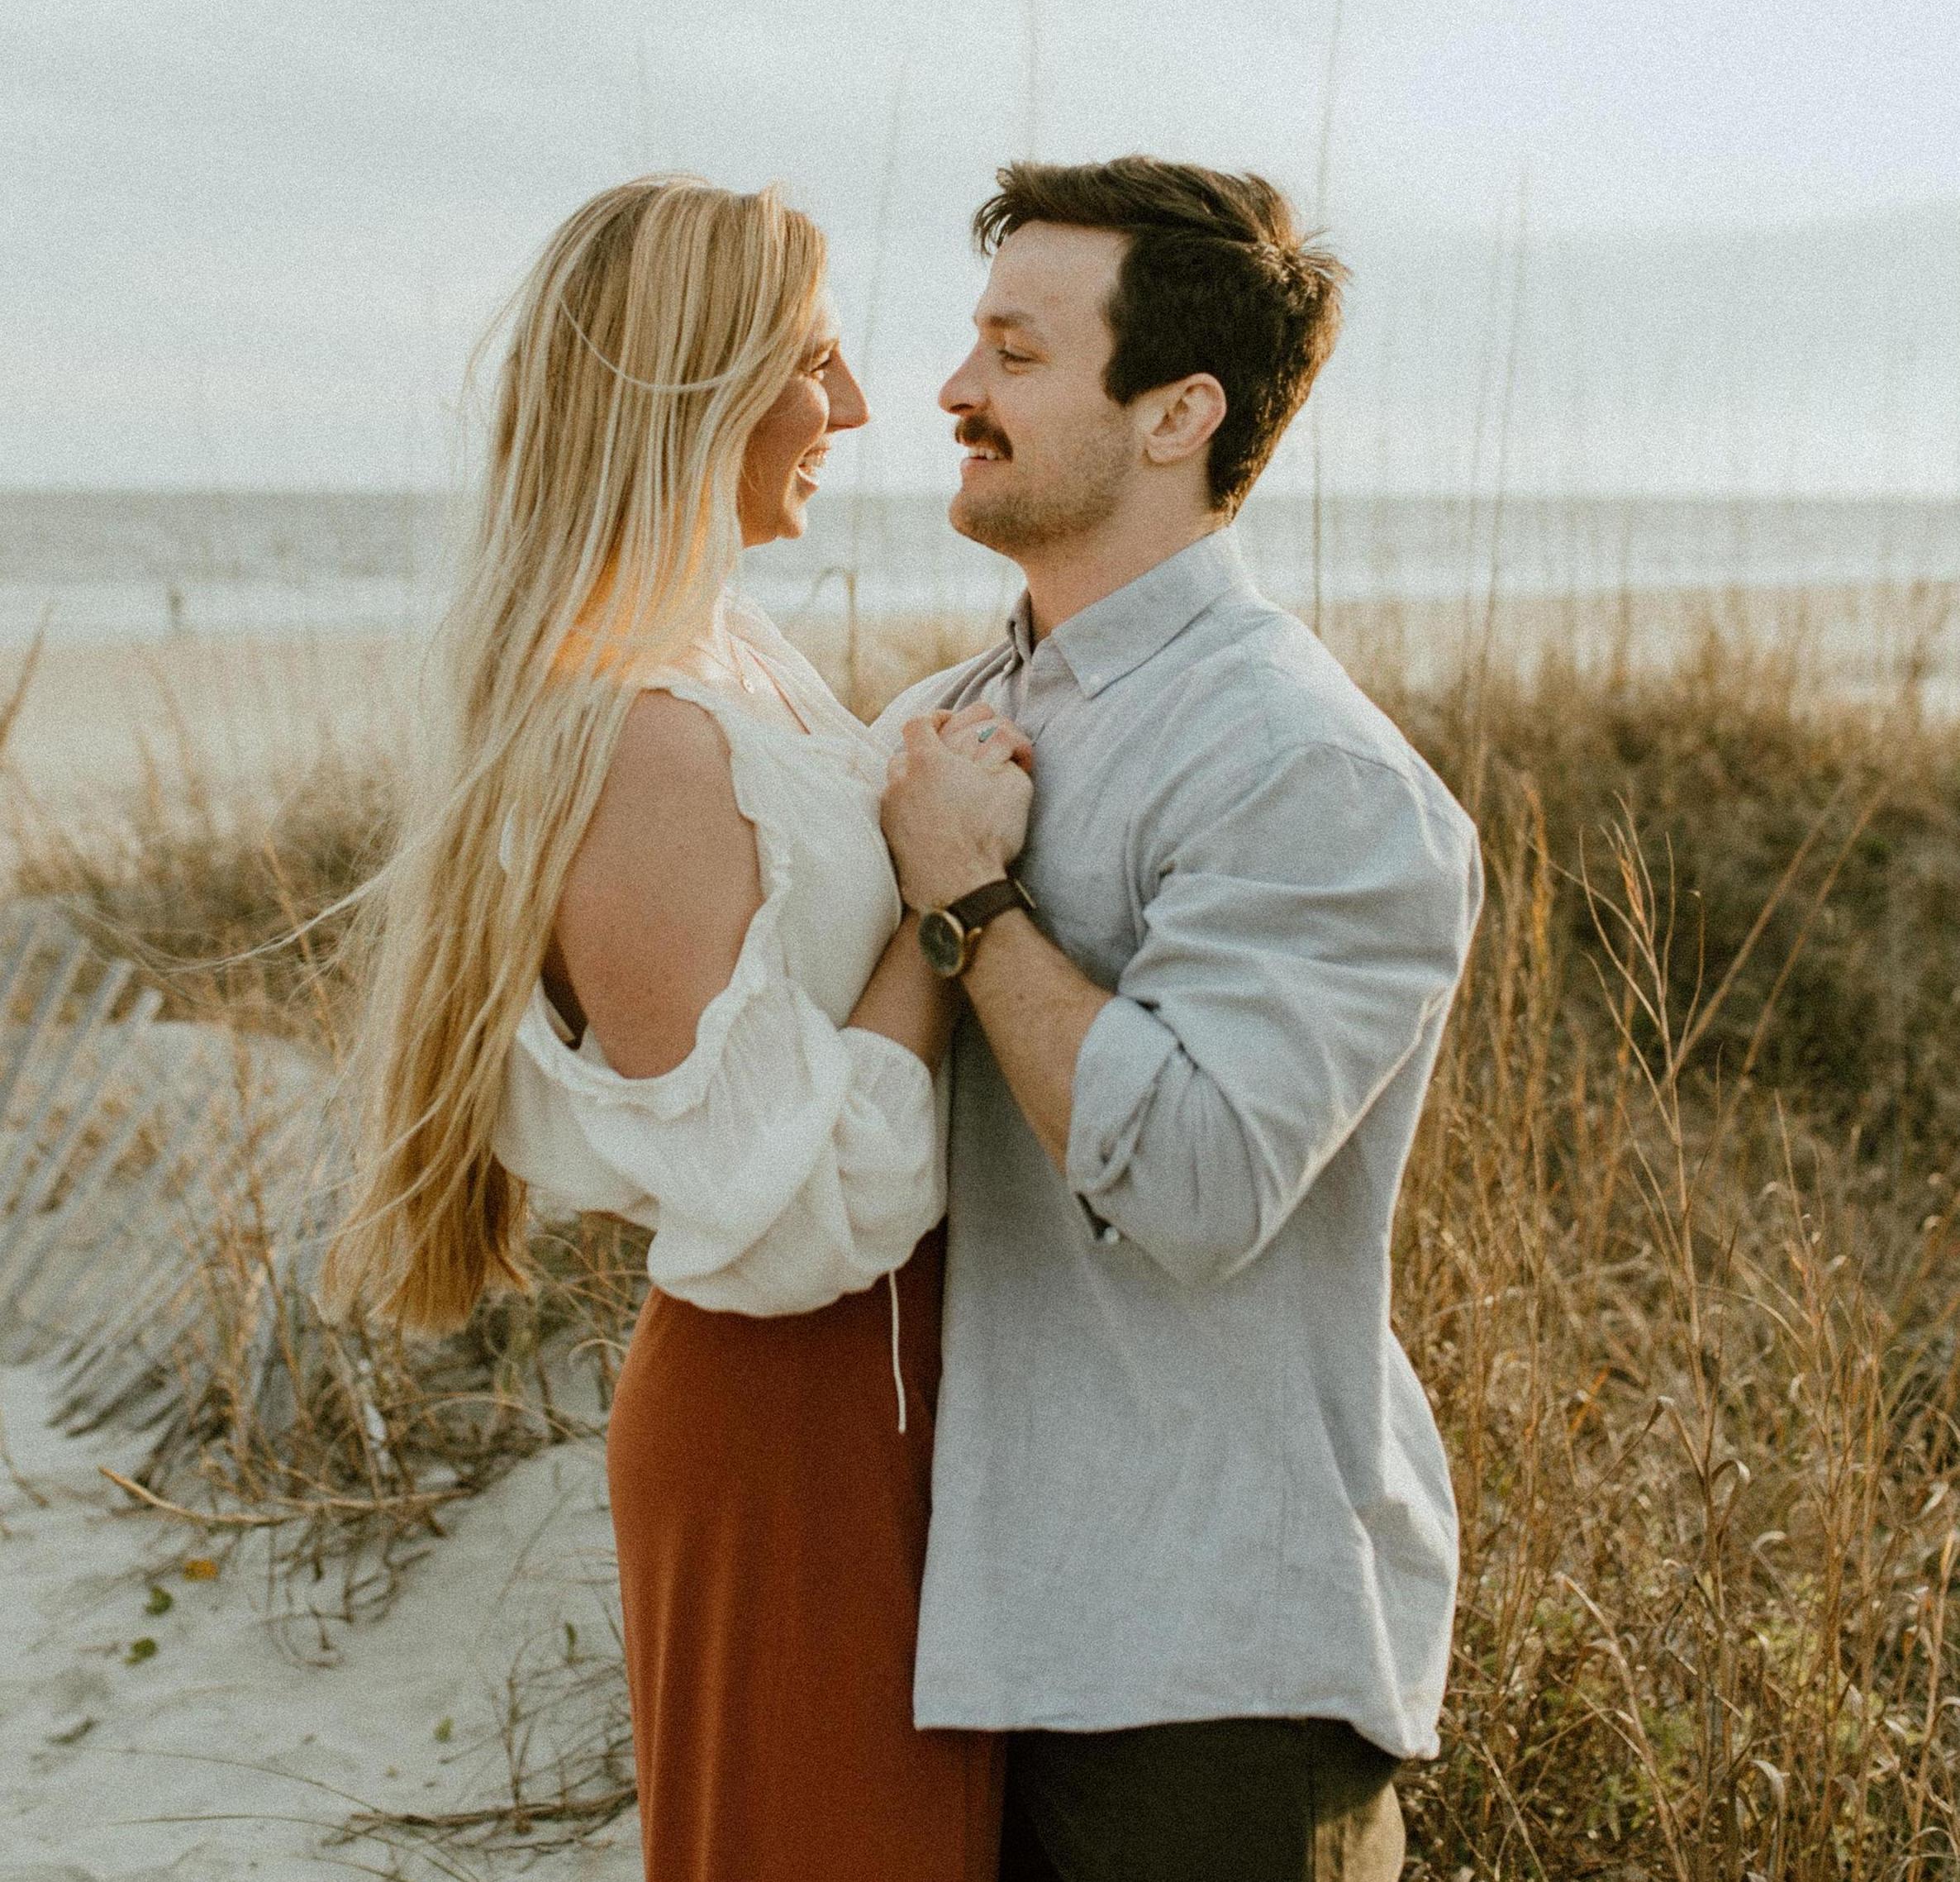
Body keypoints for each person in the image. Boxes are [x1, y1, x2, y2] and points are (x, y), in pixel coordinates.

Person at [321, 174, 1026, 1882]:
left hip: (892, 1401)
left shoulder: (730, 652)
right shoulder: (633, 738)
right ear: (692, 389)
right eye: (816, 361)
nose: (857, 408)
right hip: (792, 1422)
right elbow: (787, 1224)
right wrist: (950, 910)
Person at [874, 157, 1484, 1882]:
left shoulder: (1304, 765)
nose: (954, 391)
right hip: (991, 1616)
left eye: (1015, 351)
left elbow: (1202, 1181)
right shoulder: (950, 715)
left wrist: (973, 909)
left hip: (1206, 1659)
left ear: (1177, 413)